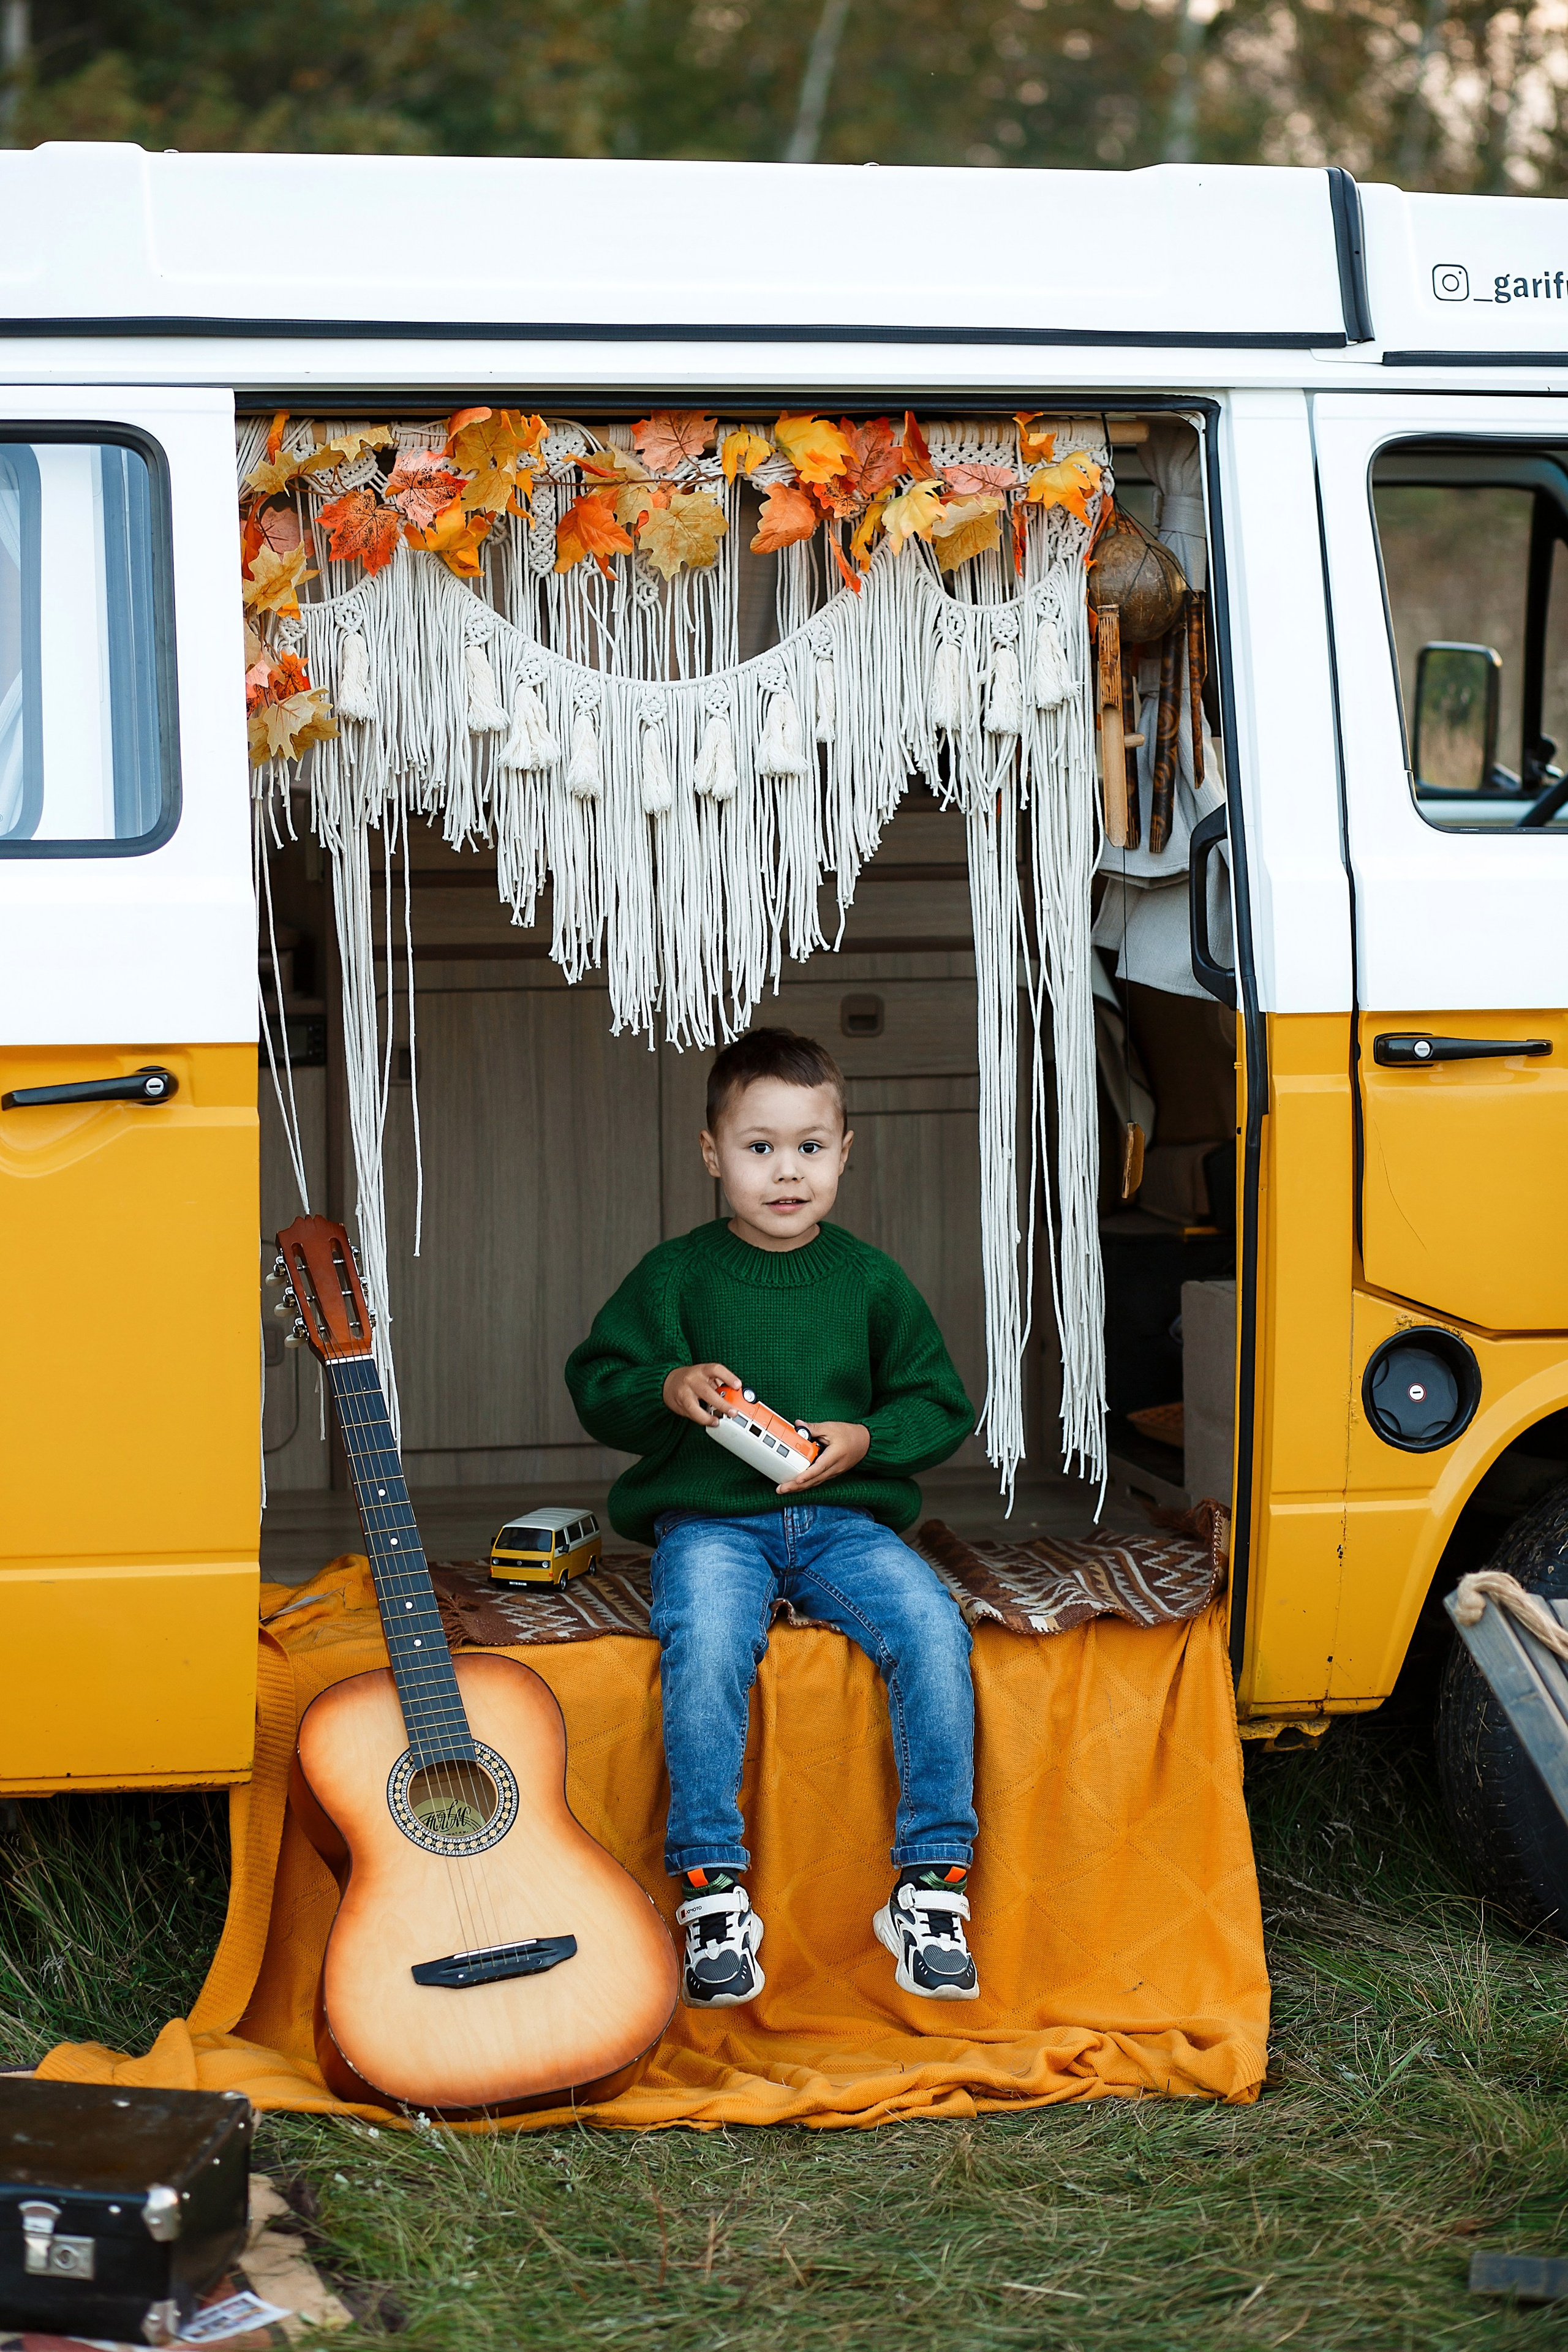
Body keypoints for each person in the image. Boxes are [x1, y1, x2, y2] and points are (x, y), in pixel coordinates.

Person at [565, 1027, 979, 2012]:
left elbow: (939, 1405)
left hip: (843, 1520)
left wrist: (867, 1438)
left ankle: (932, 1888)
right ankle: (713, 1890)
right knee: (704, 1642)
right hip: (713, 1525)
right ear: (712, 1154)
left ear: (846, 1151)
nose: (785, 1171)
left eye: (808, 1146)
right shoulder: (676, 1277)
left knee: (932, 1628)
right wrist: (667, 1386)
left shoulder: (871, 1281)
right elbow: (598, 1383)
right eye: (758, 1148)